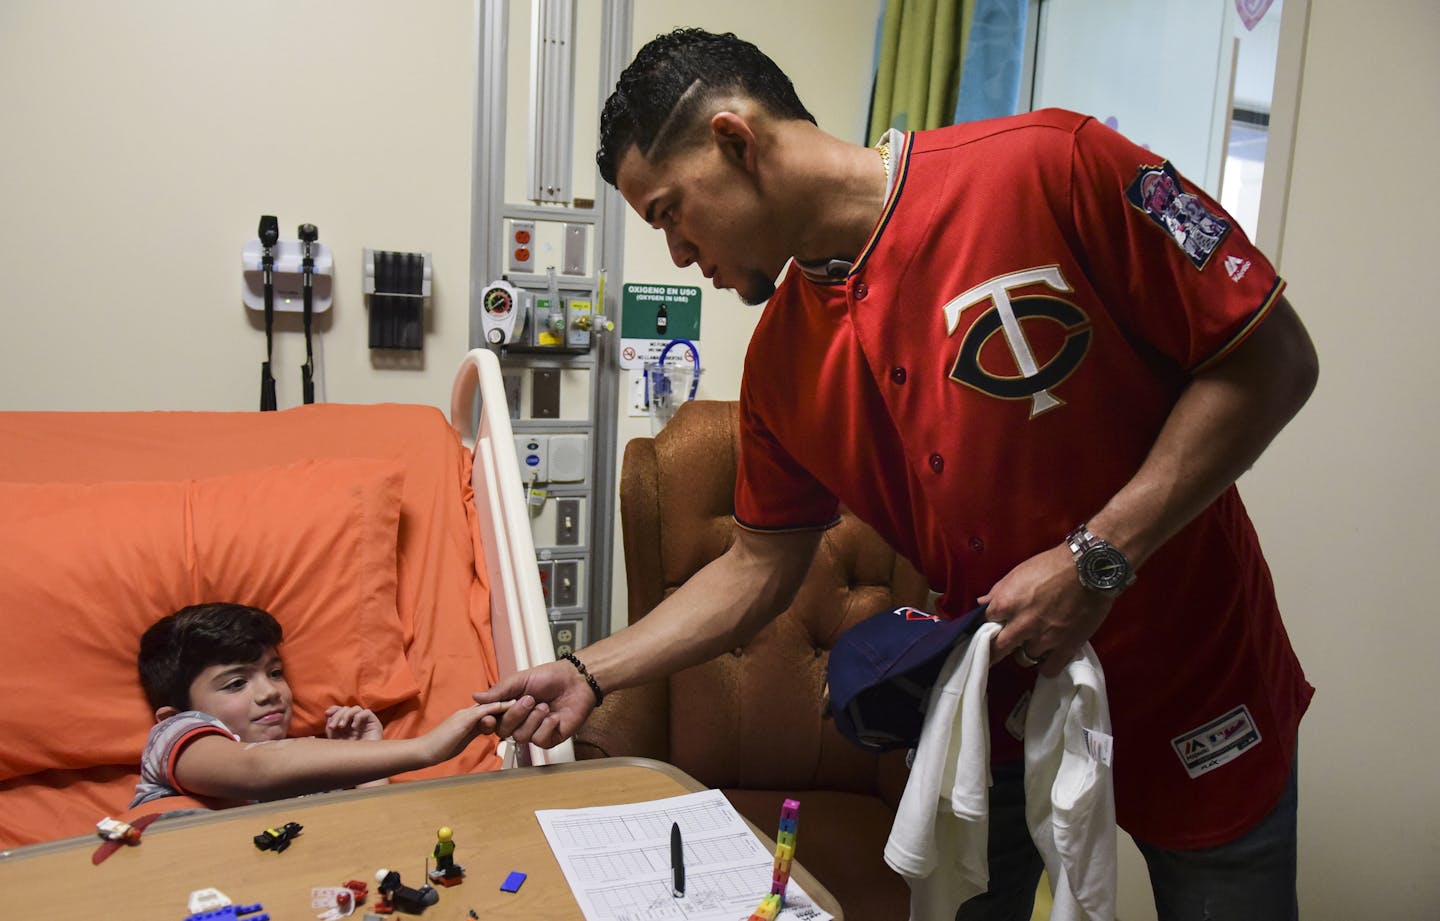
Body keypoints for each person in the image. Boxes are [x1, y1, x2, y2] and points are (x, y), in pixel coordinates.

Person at [477, 28, 1318, 920]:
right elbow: (758, 562)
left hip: (1198, 677)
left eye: (669, 212)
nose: (679, 254)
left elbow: (1272, 362)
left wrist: (1095, 557)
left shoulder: (1052, 168)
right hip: (990, 708)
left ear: (735, 139)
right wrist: (589, 668)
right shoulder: (783, 363)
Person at [133, 602, 508, 808]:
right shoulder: (172, 735)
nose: (269, 692)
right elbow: (256, 767)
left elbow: (385, 831)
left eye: (275, 672)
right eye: (236, 683)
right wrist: (425, 748)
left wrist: (366, 763)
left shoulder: (312, 781)